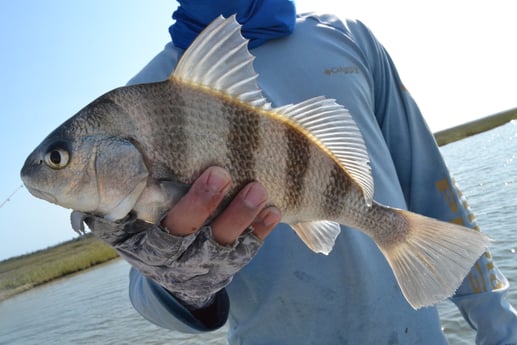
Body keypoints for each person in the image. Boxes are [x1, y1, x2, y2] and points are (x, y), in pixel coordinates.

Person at [87, 1, 517, 344]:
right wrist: (181, 285)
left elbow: (428, 180)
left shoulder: (346, 35)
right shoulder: (134, 106)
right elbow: (145, 293)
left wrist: (498, 324)